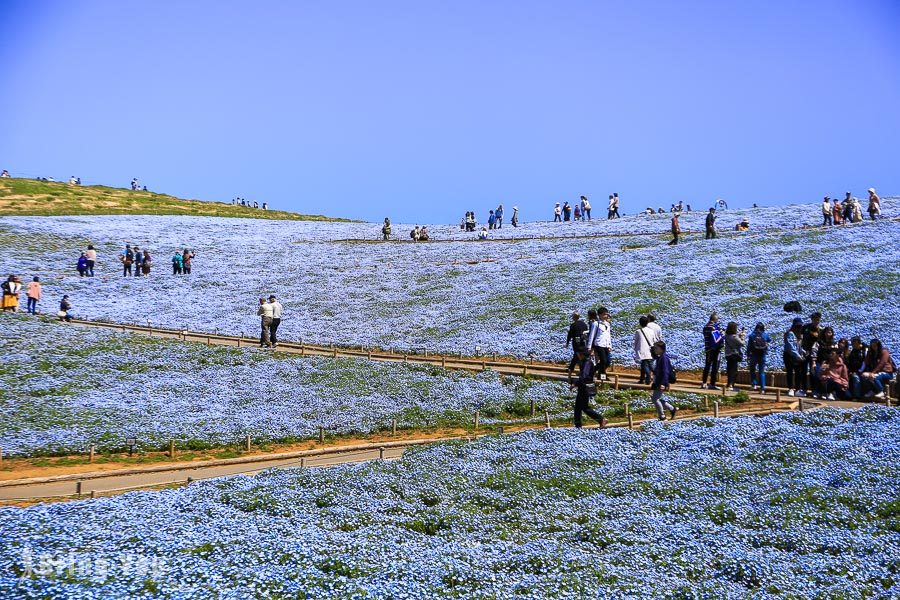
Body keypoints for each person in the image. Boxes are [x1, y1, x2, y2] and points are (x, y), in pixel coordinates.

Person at [570, 347, 607, 429]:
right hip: (583, 387)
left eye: (578, 354)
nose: (577, 356)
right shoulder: (585, 362)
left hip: (585, 388)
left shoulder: (587, 363)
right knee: (578, 407)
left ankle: (601, 419)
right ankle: (578, 425)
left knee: (584, 407)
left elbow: (584, 376)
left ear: (582, 354)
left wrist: (575, 384)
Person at [649, 341, 677, 421]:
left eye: (656, 348)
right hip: (658, 380)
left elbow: (665, 372)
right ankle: (672, 409)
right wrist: (652, 350)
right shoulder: (660, 356)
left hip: (661, 381)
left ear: (661, 349)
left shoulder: (664, 358)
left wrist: (664, 384)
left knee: (655, 399)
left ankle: (662, 416)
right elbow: (655, 358)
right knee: (656, 398)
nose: (655, 349)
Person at [799, 312, 823, 396]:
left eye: (817, 319)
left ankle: (814, 390)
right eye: (814, 319)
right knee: (804, 371)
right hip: (805, 352)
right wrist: (801, 349)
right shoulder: (806, 327)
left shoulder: (821, 330)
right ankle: (804, 389)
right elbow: (800, 338)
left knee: (814, 372)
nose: (815, 321)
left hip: (815, 354)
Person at [586, 307, 612, 380]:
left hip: (606, 345)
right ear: (599, 315)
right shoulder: (596, 324)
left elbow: (608, 335)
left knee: (607, 362)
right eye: (604, 314)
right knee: (603, 361)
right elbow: (592, 335)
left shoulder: (607, 324)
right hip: (599, 344)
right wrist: (589, 347)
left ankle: (593, 371)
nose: (606, 316)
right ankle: (603, 377)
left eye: (607, 314)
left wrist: (610, 345)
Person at [746, 322, 771, 394]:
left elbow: (749, 346)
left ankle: (754, 384)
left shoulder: (752, 335)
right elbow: (769, 340)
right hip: (762, 355)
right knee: (761, 372)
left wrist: (748, 354)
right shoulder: (765, 334)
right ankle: (762, 389)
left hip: (754, 355)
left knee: (752, 369)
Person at [701, 312, 724, 389]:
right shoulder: (715, 327)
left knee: (707, 365)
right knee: (715, 366)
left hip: (708, 349)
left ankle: (704, 382)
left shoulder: (705, 327)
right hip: (716, 349)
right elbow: (721, 337)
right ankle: (712, 384)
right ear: (715, 319)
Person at [783, 317, 805, 397]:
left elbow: (799, 346)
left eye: (800, 326)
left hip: (797, 356)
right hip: (789, 355)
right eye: (797, 326)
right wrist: (798, 356)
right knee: (790, 372)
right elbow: (790, 347)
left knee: (798, 372)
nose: (799, 327)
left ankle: (798, 389)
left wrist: (804, 353)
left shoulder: (800, 335)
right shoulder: (790, 333)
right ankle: (790, 389)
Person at [633, 316, 657, 385]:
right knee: (646, 364)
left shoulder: (638, 331)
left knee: (644, 365)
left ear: (640, 323)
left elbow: (636, 341)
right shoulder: (651, 331)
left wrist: (635, 349)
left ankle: (649, 376)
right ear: (647, 323)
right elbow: (654, 340)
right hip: (650, 349)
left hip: (642, 349)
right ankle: (642, 379)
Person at [723, 321, 743, 391]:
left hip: (727, 354)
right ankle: (731, 385)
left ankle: (729, 384)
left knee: (729, 369)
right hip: (734, 355)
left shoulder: (726, 335)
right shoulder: (734, 337)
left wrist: (738, 335)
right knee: (733, 370)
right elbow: (741, 343)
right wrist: (742, 337)